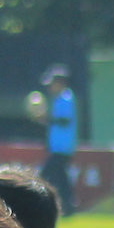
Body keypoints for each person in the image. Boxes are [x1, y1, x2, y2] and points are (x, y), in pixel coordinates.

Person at [39, 65, 78, 211]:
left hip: (63, 147)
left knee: (47, 175)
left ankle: (54, 205)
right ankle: (69, 206)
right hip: (58, 147)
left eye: (52, 84)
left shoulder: (66, 98)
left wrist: (48, 118)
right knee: (61, 178)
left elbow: (65, 120)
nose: (50, 88)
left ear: (60, 83)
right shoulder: (60, 99)